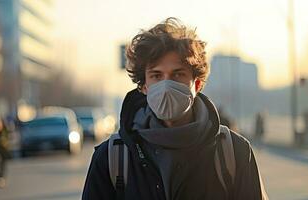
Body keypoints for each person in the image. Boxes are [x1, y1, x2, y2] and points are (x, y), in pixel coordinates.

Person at [82, 18, 268, 200]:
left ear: (197, 84)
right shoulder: (112, 158)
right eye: (156, 75)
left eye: (178, 74)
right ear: (144, 86)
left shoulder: (233, 152)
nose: (166, 85)